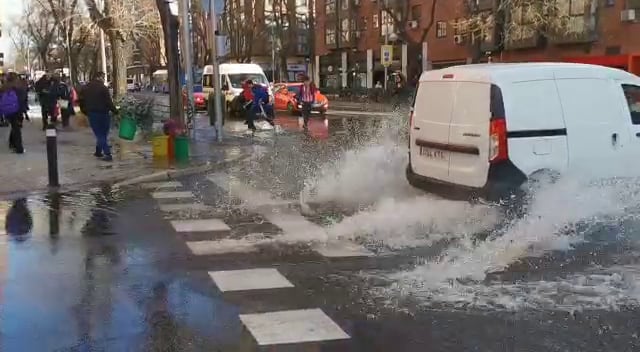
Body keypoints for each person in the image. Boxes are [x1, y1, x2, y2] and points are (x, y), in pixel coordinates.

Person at [78, 72, 118, 161]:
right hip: (104, 113)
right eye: (103, 77)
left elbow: (81, 101)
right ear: (99, 77)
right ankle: (107, 154)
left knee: (99, 134)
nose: (104, 79)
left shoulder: (85, 88)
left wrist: (85, 112)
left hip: (93, 114)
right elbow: (109, 102)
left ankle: (98, 151)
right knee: (103, 134)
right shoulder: (103, 88)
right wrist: (115, 111)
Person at [0, 72, 27, 153]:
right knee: (17, 129)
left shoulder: (3, 87)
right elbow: (22, 99)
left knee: (14, 127)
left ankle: (12, 143)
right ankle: (19, 148)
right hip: (17, 110)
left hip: (7, 111)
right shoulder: (19, 86)